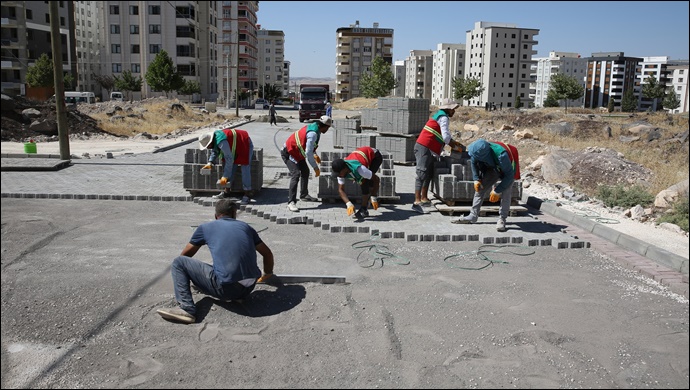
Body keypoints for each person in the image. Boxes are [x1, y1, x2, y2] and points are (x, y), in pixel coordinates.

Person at [157, 199, 275, 324]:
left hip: (226, 290)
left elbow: (185, 256)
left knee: (179, 263)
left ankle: (186, 309)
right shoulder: (246, 227)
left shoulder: (205, 227)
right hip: (249, 287)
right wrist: (267, 273)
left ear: (215, 216)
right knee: (221, 268)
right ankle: (238, 297)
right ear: (234, 214)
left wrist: (186, 278)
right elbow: (267, 254)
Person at [453, 139, 521, 232]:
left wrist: (497, 190)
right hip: (494, 167)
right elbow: (473, 162)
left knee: (506, 191)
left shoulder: (502, 155)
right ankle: (473, 215)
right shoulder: (477, 152)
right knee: (480, 188)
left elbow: (509, 176)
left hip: (509, 167)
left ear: (484, 156)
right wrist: (476, 179)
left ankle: (502, 219)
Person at [412, 98, 465, 213]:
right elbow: (445, 137)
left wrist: (453, 142)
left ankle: (424, 198)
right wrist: (454, 146)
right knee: (422, 172)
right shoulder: (443, 117)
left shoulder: (439, 115)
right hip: (424, 146)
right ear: (448, 109)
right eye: (453, 109)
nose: (454, 112)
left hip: (429, 148)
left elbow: (442, 135)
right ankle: (417, 202)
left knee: (429, 172)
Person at [280, 115, 332, 212]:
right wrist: (315, 167)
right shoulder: (313, 133)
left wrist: (315, 154)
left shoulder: (316, 128)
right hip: (289, 152)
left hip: (297, 153)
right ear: (324, 126)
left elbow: (310, 146)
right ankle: (291, 202)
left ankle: (304, 195)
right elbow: (308, 153)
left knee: (305, 171)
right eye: (328, 128)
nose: (328, 130)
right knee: (295, 174)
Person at [199, 128, 254, 204]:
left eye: (207, 146)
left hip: (244, 143)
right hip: (234, 146)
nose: (207, 148)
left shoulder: (221, 141)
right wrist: (210, 162)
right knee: (230, 166)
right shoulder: (215, 139)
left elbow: (229, 159)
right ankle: (226, 192)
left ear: (210, 142)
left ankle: (247, 194)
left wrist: (225, 176)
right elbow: (215, 150)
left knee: (245, 167)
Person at [331, 146, 382, 220]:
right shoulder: (340, 171)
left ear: (345, 169)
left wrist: (374, 196)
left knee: (366, 182)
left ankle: (364, 209)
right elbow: (340, 190)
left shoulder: (360, 169)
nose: (339, 176)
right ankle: (367, 201)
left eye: (339, 174)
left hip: (375, 156)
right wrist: (348, 203)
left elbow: (377, 179)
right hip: (360, 155)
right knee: (363, 181)